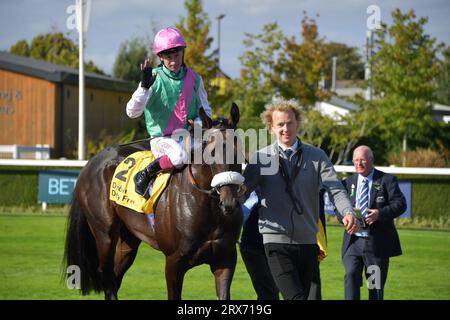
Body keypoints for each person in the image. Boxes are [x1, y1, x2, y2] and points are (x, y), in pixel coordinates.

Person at [241, 98, 359, 300]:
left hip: (308, 242)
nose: (285, 129)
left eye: (289, 123)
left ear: (298, 123)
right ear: (271, 127)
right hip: (274, 242)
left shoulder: (317, 155)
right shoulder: (260, 159)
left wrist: (347, 212)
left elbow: (336, 189)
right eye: (280, 124)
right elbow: (243, 192)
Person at [126, 27, 212, 196]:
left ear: (182, 53)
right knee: (179, 156)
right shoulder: (153, 78)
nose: (173, 61)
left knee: (213, 153)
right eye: (168, 57)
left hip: (189, 138)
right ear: (160, 58)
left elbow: (206, 112)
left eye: (177, 56)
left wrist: (199, 124)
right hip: (162, 140)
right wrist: (143, 88)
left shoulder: (195, 79)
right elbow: (132, 113)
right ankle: (146, 173)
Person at [341, 145, 406, 300]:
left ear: (371, 160)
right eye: (355, 160)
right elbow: (339, 208)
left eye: (362, 160)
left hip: (376, 245)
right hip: (353, 242)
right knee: (350, 276)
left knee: (374, 287)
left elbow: (401, 204)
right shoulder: (347, 182)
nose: (358, 163)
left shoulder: (387, 180)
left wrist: (380, 213)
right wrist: (344, 217)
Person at [239, 190, 280, 300]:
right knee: (269, 293)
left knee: (271, 291)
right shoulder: (254, 193)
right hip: (254, 248)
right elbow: (241, 215)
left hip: (276, 247)